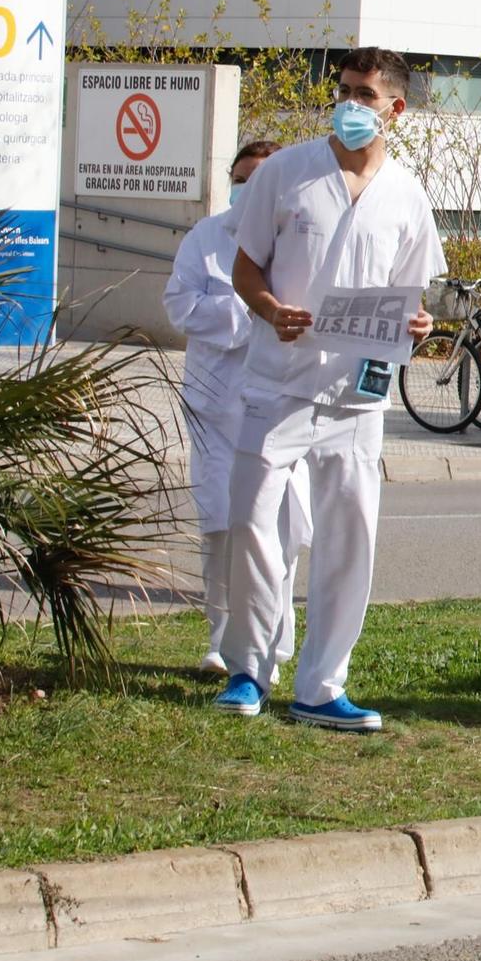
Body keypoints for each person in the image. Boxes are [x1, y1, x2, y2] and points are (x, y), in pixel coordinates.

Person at [216, 48, 446, 730]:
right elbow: (245, 267)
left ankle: (321, 684)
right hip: (277, 382)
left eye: (365, 94)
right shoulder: (286, 172)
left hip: (356, 394)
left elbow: (414, 298)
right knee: (254, 524)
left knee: (350, 536)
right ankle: (249, 669)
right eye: (343, 89)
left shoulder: (407, 194)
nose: (348, 104)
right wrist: (270, 310)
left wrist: (422, 325)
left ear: (395, 109)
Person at [164, 140, 313, 680]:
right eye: (241, 177)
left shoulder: (296, 239)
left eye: (261, 177)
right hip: (213, 404)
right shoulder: (206, 237)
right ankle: (220, 643)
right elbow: (179, 305)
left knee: (278, 527)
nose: (249, 188)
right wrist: (251, 307)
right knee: (220, 526)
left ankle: (271, 649)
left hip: (278, 403)